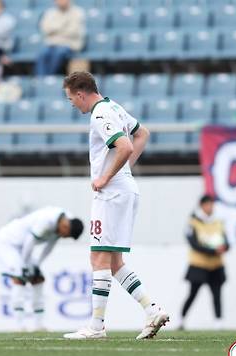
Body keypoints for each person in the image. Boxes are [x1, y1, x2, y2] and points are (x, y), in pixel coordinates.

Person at [61, 71, 168, 340]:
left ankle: (96, 326)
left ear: (81, 94)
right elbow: (141, 134)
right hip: (125, 190)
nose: (72, 104)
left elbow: (125, 147)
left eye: (71, 98)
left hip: (111, 194)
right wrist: (123, 172)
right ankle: (151, 309)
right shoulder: (114, 106)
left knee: (98, 258)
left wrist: (107, 176)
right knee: (115, 261)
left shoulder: (100, 113)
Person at [0, 207, 84, 331]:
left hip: (23, 247)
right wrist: (24, 265)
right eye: (65, 235)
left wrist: (37, 265)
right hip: (7, 243)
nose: (62, 236)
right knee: (20, 276)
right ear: (66, 226)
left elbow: (49, 246)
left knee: (38, 278)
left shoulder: (67, 221)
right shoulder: (47, 221)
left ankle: (39, 324)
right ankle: (19, 325)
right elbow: (30, 241)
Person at [180, 194, 230, 330]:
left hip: (216, 265)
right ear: (202, 206)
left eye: (212, 204)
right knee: (193, 294)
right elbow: (193, 243)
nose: (210, 207)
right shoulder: (193, 222)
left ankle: (218, 322)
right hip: (199, 264)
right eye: (208, 204)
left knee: (217, 293)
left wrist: (223, 247)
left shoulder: (218, 221)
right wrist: (212, 250)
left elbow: (226, 242)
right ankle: (182, 319)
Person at [35, 0, 85, 76]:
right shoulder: (50, 12)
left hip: (70, 44)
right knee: (42, 53)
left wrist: (54, 30)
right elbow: (45, 29)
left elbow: (73, 31)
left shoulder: (78, 12)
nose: (61, 1)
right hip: (52, 44)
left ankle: (48, 78)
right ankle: (40, 79)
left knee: (59, 52)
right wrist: (63, 26)